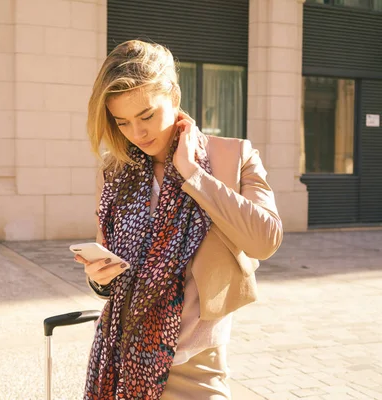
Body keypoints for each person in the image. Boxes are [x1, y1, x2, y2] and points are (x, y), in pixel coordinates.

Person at [74, 40, 283, 399]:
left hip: (196, 369)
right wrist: (98, 279)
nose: (137, 134)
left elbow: (266, 240)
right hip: (121, 361)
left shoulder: (232, 157)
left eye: (146, 116)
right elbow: (109, 267)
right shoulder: (115, 172)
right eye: (122, 122)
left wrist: (193, 176)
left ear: (173, 95)